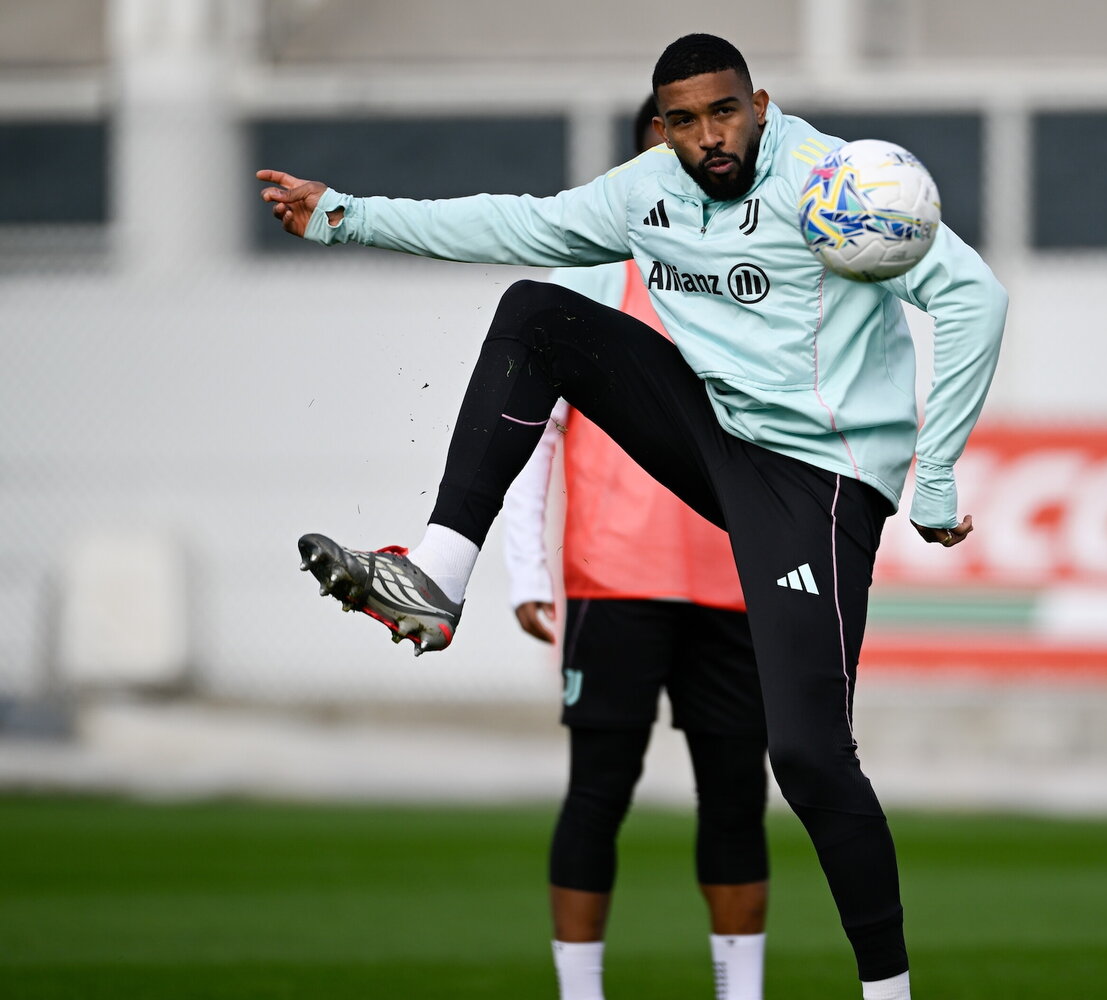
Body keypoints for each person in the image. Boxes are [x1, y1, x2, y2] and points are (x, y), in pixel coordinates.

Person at [262, 33, 1007, 1000]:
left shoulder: (828, 180)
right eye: (684, 121)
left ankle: (888, 992)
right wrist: (345, 216)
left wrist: (933, 477)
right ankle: (438, 576)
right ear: (663, 125)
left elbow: (974, 299)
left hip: (818, 481)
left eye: (725, 112)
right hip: (718, 440)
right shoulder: (647, 190)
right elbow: (515, 222)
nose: (708, 137)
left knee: (807, 758)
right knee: (537, 313)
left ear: (760, 106)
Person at [500, 96, 771, 1000]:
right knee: (598, 792)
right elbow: (531, 429)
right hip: (614, 581)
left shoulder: (762, 274)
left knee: (735, 801)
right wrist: (526, 568)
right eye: (674, 138)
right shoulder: (590, 276)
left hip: (737, 586)